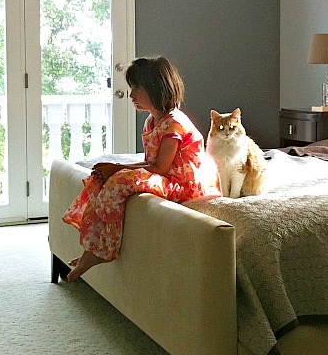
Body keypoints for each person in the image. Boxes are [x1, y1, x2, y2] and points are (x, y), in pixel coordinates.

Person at [62, 56, 219, 280]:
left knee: (120, 181)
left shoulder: (174, 123)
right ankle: (93, 249)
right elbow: (149, 164)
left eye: (136, 88)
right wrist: (114, 168)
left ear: (156, 88)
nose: (131, 95)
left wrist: (118, 170)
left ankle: (105, 249)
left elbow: (160, 168)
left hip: (183, 186)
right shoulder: (151, 121)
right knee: (105, 177)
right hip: (166, 179)